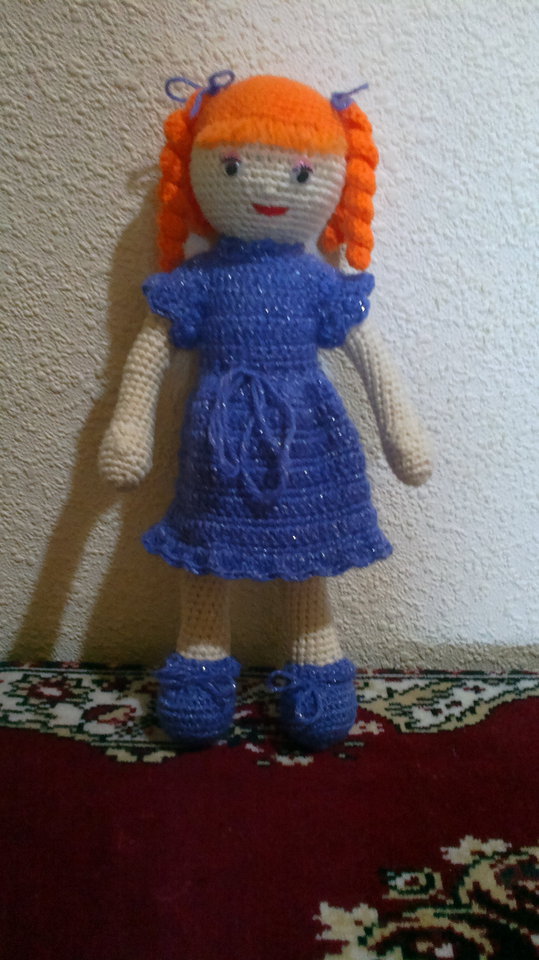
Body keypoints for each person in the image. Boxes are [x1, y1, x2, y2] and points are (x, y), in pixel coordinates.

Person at [99, 73, 432, 750]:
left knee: (306, 560)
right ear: (199, 171)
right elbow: (151, 348)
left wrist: (400, 431)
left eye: (302, 174)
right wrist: (128, 425)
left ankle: (315, 673)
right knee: (207, 558)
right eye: (232, 167)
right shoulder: (199, 281)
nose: (267, 189)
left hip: (306, 447)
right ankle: (199, 671)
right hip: (217, 447)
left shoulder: (317, 282)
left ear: (333, 181)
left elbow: (369, 356)